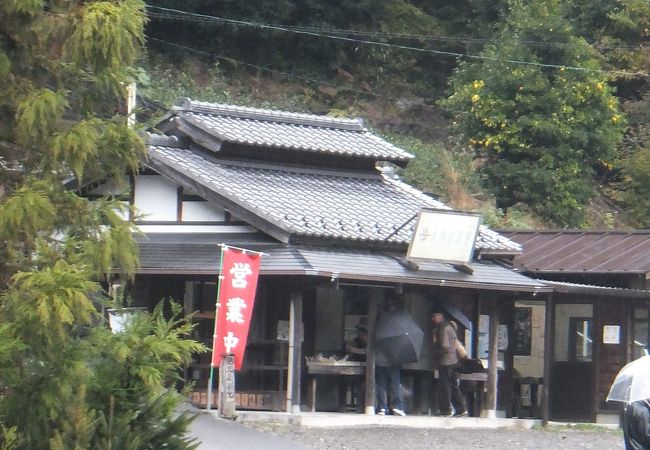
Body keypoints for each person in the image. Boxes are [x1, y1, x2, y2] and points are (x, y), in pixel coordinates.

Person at [432, 308, 467, 417]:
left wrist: (436, 355)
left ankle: (445, 410)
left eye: (434, 316)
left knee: (445, 386)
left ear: (440, 316)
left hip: (446, 362)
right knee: (453, 385)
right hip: (454, 360)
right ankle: (461, 408)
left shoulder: (443, 328)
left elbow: (445, 346)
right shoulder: (451, 326)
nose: (433, 319)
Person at [375, 295, 406, 416]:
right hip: (395, 357)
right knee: (395, 383)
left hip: (380, 358)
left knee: (381, 384)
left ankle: (382, 407)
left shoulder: (380, 320)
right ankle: (398, 406)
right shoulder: (400, 322)